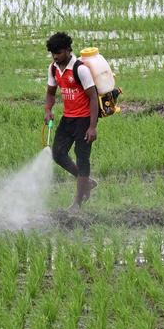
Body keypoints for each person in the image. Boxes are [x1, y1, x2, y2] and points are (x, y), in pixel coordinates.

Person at [44, 31, 99, 209]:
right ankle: (86, 182)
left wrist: (92, 127)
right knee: (57, 153)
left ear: (68, 50)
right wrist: (48, 110)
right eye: (53, 54)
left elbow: (93, 97)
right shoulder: (53, 68)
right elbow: (51, 93)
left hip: (83, 120)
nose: (55, 57)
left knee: (82, 158)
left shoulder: (80, 69)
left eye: (58, 53)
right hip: (68, 118)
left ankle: (78, 201)